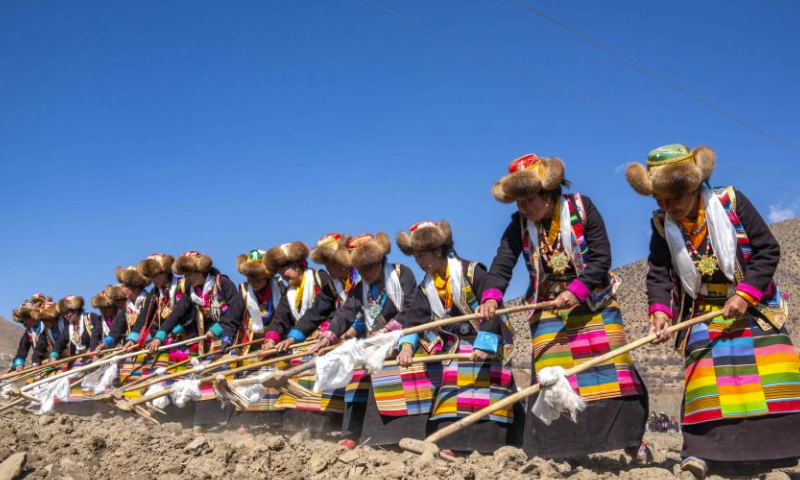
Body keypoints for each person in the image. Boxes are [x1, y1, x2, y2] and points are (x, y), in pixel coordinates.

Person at [626, 144, 800, 478]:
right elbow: (659, 272)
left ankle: (779, 451)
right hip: (702, 310)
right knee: (705, 383)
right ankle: (702, 453)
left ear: (692, 188)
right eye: (659, 201)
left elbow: (767, 249)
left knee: (772, 376)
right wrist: (660, 313)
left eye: (673, 199)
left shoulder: (731, 203)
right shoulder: (662, 224)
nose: (668, 208)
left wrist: (745, 294)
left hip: (753, 307)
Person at [476, 153, 651, 462]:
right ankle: (557, 448)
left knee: (615, 369)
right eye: (518, 202)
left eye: (528, 200)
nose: (524, 208)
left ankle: (631, 441)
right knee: (551, 377)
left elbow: (601, 256)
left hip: (594, 301)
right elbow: (502, 264)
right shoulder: (518, 225)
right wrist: (491, 296)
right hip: (548, 307)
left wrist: (577, 290)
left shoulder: (581, 208)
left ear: (548, 193)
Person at [394, 220, 519, 455]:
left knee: (489, 392)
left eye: (422, 256)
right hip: (459, 347)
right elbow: (413, 322)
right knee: (452, 391)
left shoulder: (472, 271)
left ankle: (490, 445)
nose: (419, 262)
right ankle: (452, 444)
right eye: (415, 257)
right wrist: (407, 347)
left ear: (439, 250)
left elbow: (491, 308)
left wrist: (485, 344)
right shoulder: (426, 288)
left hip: (490, 340)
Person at [313, 233, 419, 448]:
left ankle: (389, 437)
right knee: (357, 377)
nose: (365, 273)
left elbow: (412, 308)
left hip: (404, 337)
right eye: (359, 269)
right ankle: (351, 433)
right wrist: (328, 337)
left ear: (380, 260)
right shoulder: (360, 287)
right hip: (373, 343)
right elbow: (346, 313)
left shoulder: (401, 275)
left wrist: (388, 330)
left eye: (368, 267)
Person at [263, 240, 345, 434]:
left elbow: (331, 310)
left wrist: (325, 331)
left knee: (316, 364)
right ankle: (295, 424)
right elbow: (280, 318)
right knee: (291, 364)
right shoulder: (289, 292)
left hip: (330, 337)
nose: (283, 273)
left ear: (299, 265)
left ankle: (323, 425)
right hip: (305, 339)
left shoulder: (320, 278)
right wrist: (272, 338)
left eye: (286, 268)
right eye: (280, 269)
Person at [10, 294, 49, 372]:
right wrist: (18, 364)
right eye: (22, 321)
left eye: (25, 319)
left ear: (32, 316)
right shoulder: (29, 332)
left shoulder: (47, 325)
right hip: (40, 362)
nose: (24, 323)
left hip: (55, 359)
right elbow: (22, 350)